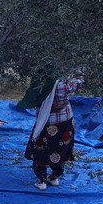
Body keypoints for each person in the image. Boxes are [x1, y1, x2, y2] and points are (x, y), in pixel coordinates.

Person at [16, 59, 84, 190]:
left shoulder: (41, 81)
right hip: (65, 121)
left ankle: (41, 180)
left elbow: (33, 96)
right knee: (61, 149)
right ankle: (54, 177)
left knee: (41, 149)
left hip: (46, 121)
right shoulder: (65, 83)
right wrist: (79, 72)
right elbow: (80, 82)